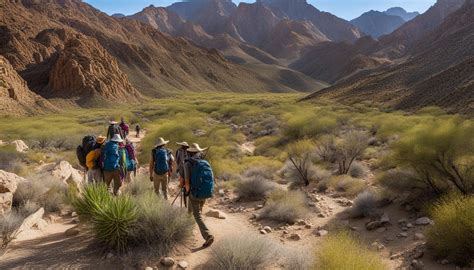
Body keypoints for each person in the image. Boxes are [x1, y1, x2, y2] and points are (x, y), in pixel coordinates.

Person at [180, 143, 214, 248]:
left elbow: (186, 181)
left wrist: (186, 191)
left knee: (197, 215)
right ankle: (188, 229)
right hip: (205, 192)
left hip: (194, 193)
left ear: (188, 153)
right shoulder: (204, 162)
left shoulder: (187, 164)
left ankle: (208, 235)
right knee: (191, 212)